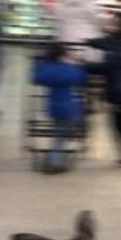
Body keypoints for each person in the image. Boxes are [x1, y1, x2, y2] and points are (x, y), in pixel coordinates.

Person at [86, 13, 121, 166]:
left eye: (114, 23)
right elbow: (104, 43)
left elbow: (107, 67)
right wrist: (89, 42)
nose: (110, 25)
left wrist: (84, 65)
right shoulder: (119, 41)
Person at [33, 43, 87, 173]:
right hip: (67, 108)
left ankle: (55, 158)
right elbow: (81, 77)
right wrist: (78, 63)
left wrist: (39, 63)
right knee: (62, 135)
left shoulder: (46, 69)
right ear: (63, 55)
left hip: (52, 106)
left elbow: (35, 77)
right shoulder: (67, 70)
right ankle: (53, 161)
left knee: (60, 133)